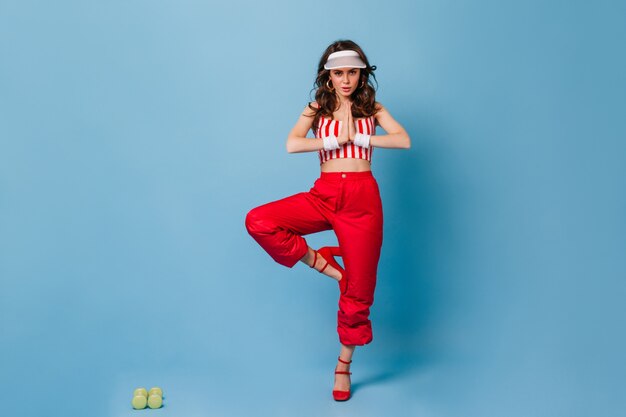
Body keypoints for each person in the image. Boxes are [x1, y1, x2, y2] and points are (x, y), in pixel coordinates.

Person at [245, 39, 410, 401]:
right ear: (327, 75)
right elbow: (292, 144)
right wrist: (334, 143)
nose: (346, 80)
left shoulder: (373, 108)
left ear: (362, 74)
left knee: (360, 295)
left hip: (363, 200)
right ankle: (330, 267)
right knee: (259, 220)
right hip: (326, 193)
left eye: (353, 72)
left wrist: (362, 135)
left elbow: (403, 139)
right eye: (339, 73)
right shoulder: (316, 108)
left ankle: (343, 366)